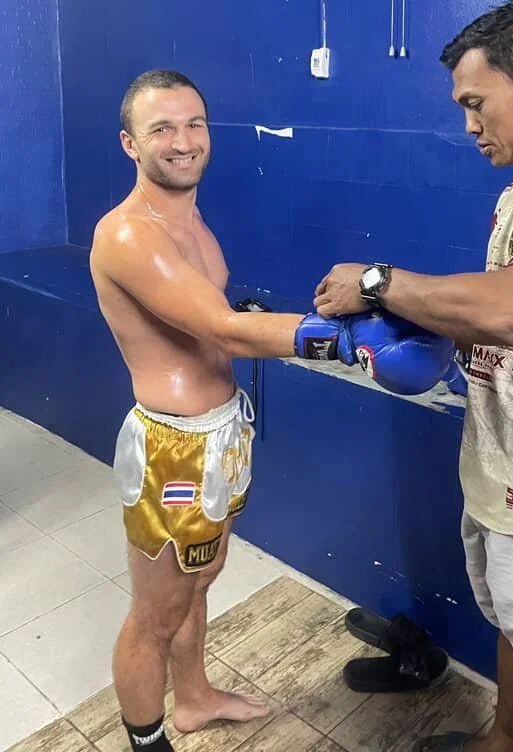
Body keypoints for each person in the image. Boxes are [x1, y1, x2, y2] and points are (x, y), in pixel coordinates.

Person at [89, 69, 453, 752]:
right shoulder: (130, 235)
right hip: (173, 448)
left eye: (194, 123)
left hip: (220, 435)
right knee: (156, 613)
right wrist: (342, 341)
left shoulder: (188, 219)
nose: (184, 140)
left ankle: (192, 699)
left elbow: (216, 321)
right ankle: (146, 740)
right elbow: (223, 329)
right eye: (161, 128)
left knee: (201, 581)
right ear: (129, 144)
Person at [314, 0, 513, 752]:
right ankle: (503, 739)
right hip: (506, 463)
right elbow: (510, 315)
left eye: (476, 104)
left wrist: (378, 280)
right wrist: (436, 330)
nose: (469, 126)